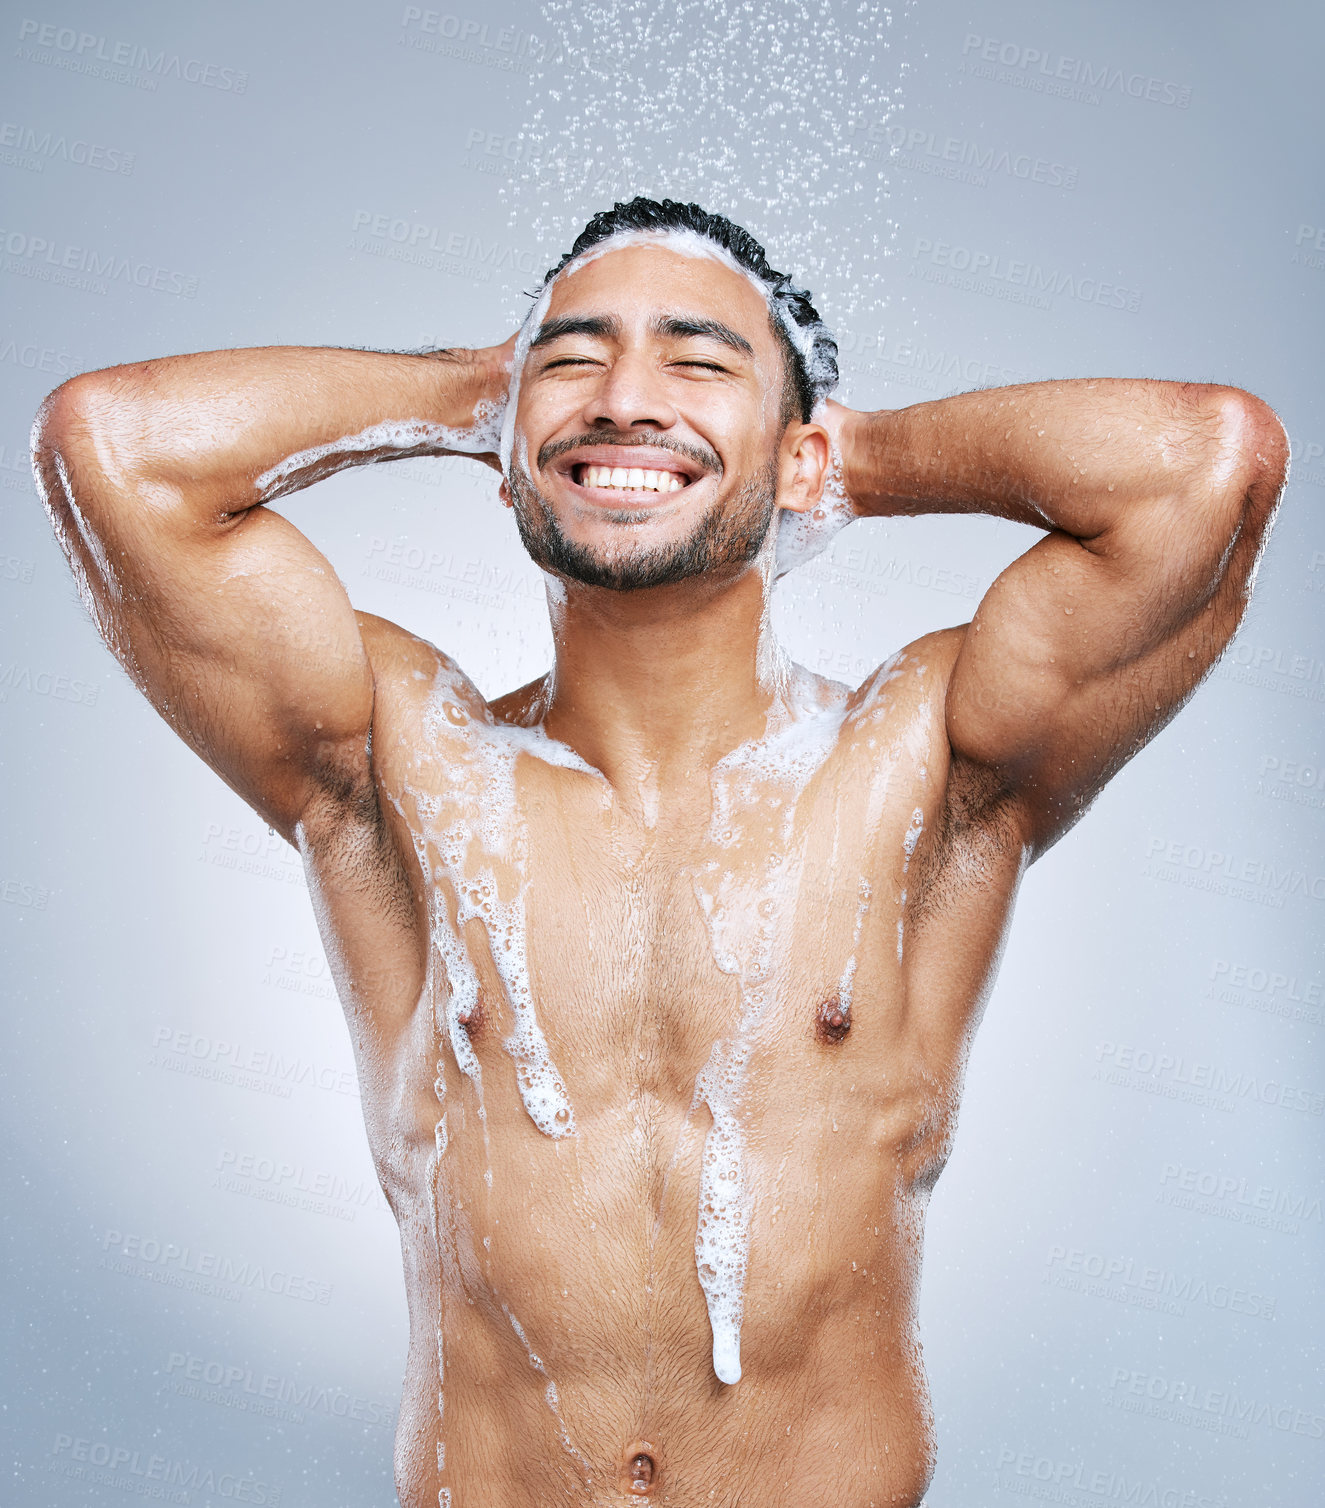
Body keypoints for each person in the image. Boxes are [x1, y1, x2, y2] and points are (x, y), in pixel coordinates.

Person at [32, 197, 1287, 1507]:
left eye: (696, 360)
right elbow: (110, 444)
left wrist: (840, 457)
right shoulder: (396, 768)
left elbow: (1205, 458)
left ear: (797, 451)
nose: (626, 396)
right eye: (572, 357)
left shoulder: (927, 768)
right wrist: (483, 392)